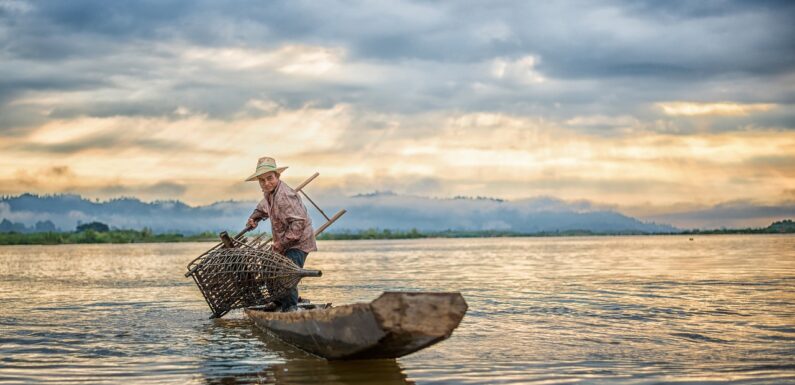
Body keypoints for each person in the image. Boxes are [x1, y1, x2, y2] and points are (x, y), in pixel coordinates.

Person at [244, 156, 317, 312]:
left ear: (277, 176)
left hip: (299, 242)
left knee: (286, 273)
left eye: (270, 178)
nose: (266, 183)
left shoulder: (285, 195)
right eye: (262, 180)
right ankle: (278, 302)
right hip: (285, 241)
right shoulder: (269, 193)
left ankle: (291, 308)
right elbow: (262, 207)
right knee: (269, 266)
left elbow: (298, 224)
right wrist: (254, 217)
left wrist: (281, 244)